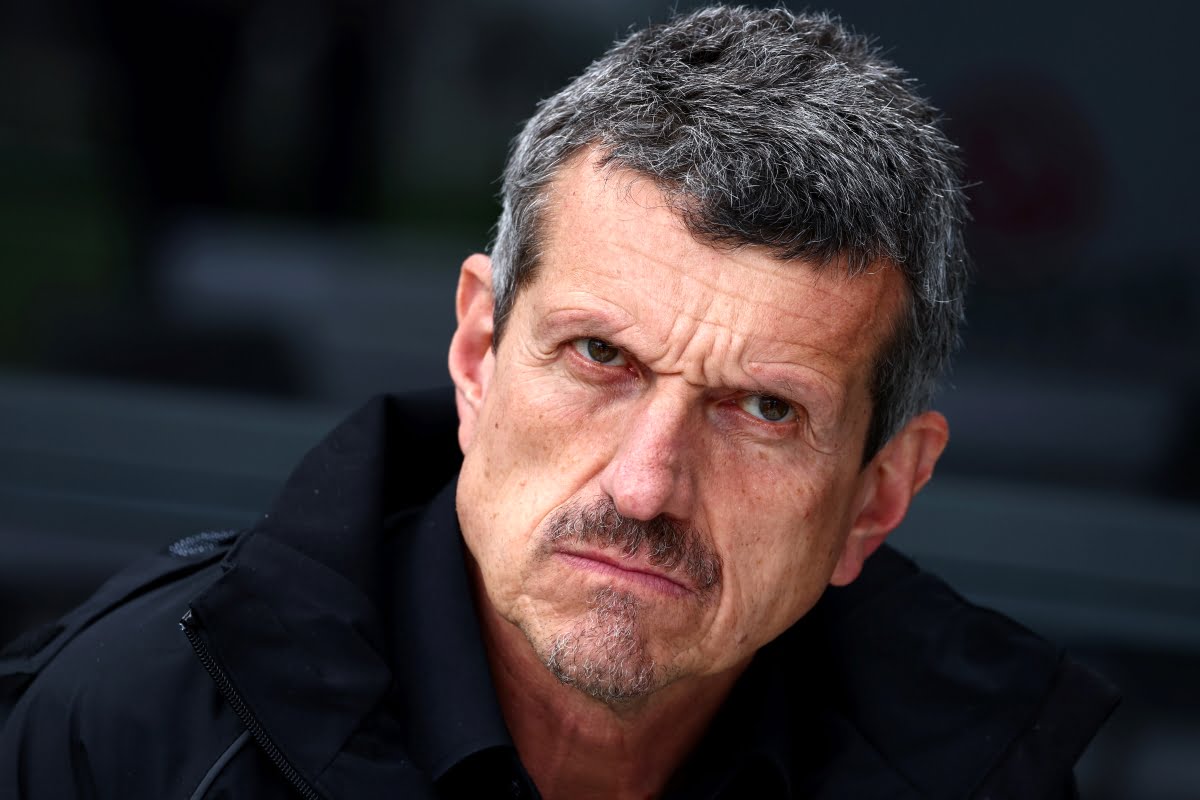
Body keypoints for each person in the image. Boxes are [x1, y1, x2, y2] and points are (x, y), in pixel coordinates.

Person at [0, 6, 1117, 798]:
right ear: (479, 355)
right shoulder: (140, 729)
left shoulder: (981, 771)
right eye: (598, 355)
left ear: (877, 497)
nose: (645, 485)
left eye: (766, 411)